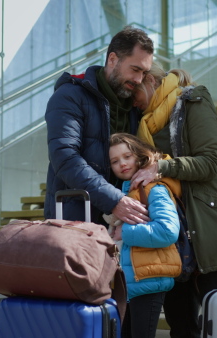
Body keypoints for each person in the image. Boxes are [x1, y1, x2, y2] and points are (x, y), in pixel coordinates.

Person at [130, 61, 217, 338]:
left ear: (151, 82)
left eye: (135, 93)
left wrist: (162, 167)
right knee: (182, 325)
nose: (132, 102)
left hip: (206, 226)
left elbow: (210, 163)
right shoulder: (143, 123)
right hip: (172, 233)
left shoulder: (193, 100)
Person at [44, 26, 154, 226]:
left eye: (144, 73)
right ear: (112, 59)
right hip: (76, 221)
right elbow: (64, 156)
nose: (139, 79)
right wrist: (113, 199)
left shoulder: (133, 106)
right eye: (135, 69)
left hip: (123, 222)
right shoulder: (69, 96)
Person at [108, 132, 181, 338]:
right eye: (115, 161)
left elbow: (167, 231)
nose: (122, 163)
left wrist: (126, 232)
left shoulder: (154, 189)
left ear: (139, 156)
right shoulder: (125, 191)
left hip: (148, 282)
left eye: (127, 156)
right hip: (131, 284)